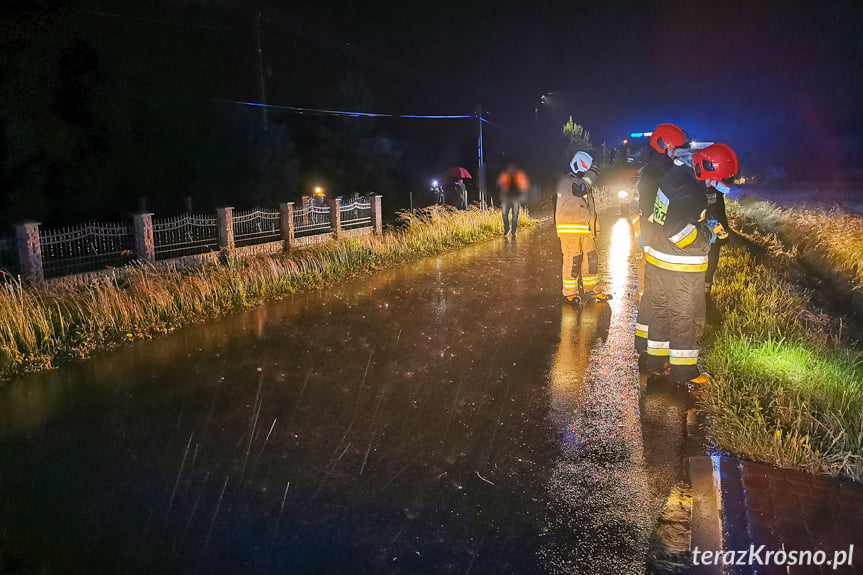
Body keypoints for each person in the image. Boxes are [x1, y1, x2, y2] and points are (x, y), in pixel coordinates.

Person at [643, 142, 739, 387]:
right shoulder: (692, 192)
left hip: (658, 259)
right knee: (686, 317)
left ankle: (656, 362)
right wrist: (709, 233)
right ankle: (684, 371)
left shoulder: (676, 176)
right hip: (680, 267)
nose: (712, 186)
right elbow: (678, 232)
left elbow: (666, 217)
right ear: (706, 170)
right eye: (714, 180)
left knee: (661, 312)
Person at [633, 124, 691, 369]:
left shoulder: (657, 170)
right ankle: (654, 355)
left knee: (653, 296)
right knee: (659, 298)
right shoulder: (655, 173)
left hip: (655, 241)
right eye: (676, 149)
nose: (678, 154)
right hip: (657, 242)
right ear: (665, 147)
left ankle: (646, 348)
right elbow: (653, 211)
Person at [554, 151, 612, 305]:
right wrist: (592, 173)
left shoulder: (582, 183)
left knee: (591, 261)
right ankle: (570, 294)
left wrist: (595, 228)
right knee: (573, 261)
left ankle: (594, 290)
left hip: (585, 230)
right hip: (571, 230)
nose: (591, 172)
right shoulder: (568, 182)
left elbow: (590, 209)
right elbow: (579, 190)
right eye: (589, 168)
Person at [701, 145, 737, 295]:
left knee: (712, 259)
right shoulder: (695, 185)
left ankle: (706, 289)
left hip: (714, 231)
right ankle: (701, 289)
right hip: (700, 234)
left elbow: (719, 208)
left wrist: (724, 231)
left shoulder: (716, 187)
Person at [496, 164, 530, 236]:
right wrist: (501, 184)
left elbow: (525, 185)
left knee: (515, 215)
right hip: (506, 197)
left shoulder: (519, 174)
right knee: (504, 214)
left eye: (512, 167)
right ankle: (507, 229)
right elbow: (498, 184)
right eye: (509, 167)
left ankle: (514, 231)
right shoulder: (504, 175)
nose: (511, 169)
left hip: (516, 198)